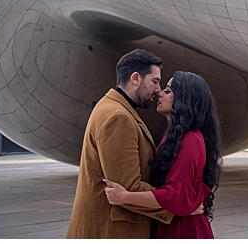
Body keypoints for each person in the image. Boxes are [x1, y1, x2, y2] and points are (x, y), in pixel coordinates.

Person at [66, 49, 173, 238]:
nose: (158, 90)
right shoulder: (118, 117)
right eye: (155, 81)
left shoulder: (115, 108)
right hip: (111, 231)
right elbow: (129, 187)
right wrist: (178, 204)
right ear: (135, 78)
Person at [104, 71, 222, 239]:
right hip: (173, 223)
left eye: (168, 90)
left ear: (184, 99)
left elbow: (177, 195)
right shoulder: (176, 137)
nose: (160, 92)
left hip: (182, 230)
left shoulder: (190, 140)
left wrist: (126, 197)